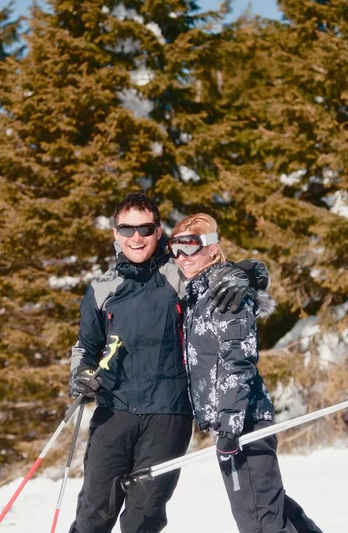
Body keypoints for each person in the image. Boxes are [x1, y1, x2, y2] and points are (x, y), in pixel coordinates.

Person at [68, 193, 269, 533]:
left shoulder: (179, 275)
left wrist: (250, 273)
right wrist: (81, 374)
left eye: (145, 228)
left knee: (143, 517)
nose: (136, 237)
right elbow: (86, 347)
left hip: (169, 415)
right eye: (127, 228)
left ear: (158, 232)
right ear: (115, 233)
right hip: (114, 414)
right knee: (93, 513)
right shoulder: (102, 288)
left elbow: (219, 270)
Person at [169, 213, 324, 533]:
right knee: (271, 506)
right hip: (235, 421)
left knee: (258, 521)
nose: (182, 257)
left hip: (242, 423)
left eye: (191, 246)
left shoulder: (226, 292)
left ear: (213, 249)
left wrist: (230, 425)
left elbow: (237, 360)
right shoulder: (199, 292)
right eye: (175, 248)